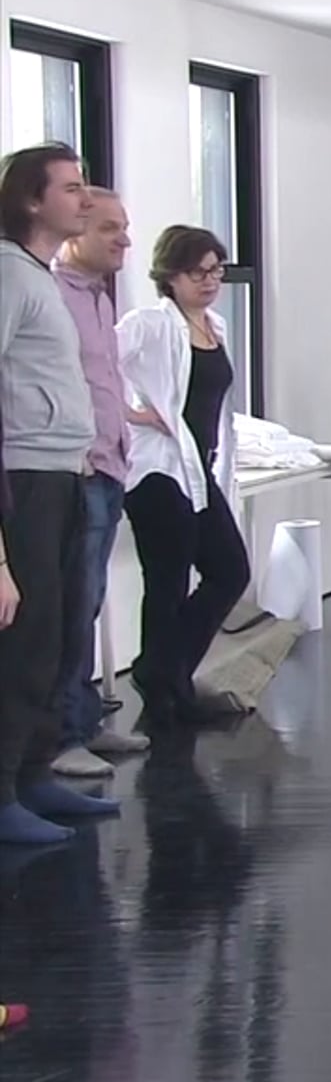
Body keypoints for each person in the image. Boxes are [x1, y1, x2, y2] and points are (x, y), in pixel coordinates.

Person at [0, 142, 121, 845]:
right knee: (26, 640)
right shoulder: (8, 274)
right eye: (71, 188)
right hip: (27, 478)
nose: (85, 198)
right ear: (30, 200)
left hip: (67, 471)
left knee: (57, 634)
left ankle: (33, 773)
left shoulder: (37, 275)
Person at [116, 226, 252, 725]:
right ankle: (166, 688)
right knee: (167, 581)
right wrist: (133, 414)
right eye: (199, 272)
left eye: (216, 270)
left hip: (198, 468)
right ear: (171, 276)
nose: (210, 280)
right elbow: (92, 369)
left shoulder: (214, 325)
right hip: (158, 470)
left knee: (230, 570)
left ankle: (161, 671)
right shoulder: (150, 323)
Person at [49, 186, 149, 768]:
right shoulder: (48, 296)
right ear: (74, 231)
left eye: (125, 227)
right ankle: (60, 739)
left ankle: (83, 722)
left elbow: (104, 379)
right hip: (77, 472)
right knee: (70, 605)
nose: (125, 240)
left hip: (110, 467)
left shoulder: (100, 298)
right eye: (110, 228)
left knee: (89, 601)